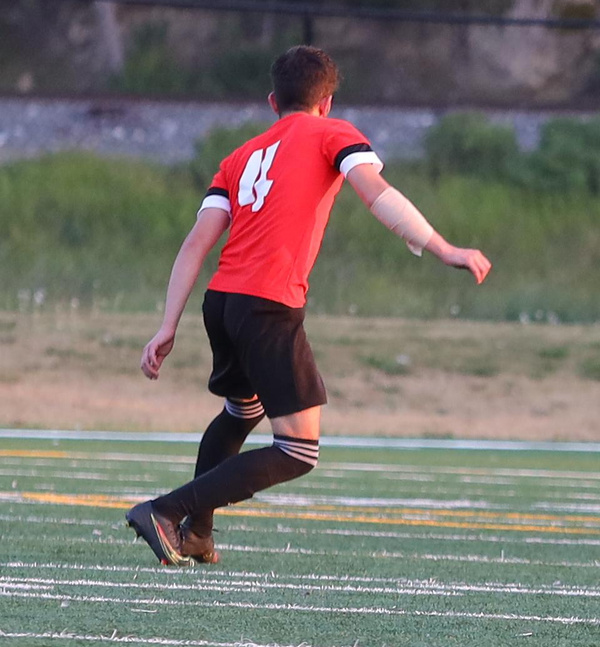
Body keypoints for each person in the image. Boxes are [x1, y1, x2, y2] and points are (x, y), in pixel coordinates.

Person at [126, 46, 491, 564]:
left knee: (241, 409)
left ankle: (197, 534)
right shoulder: (333, 133)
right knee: (298, 449)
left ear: (274, 102)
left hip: (222, 302)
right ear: (328, 103)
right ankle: (167, 511)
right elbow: (378, 195)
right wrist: (444, 248)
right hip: (267, 304)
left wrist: (167, 324)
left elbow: (194, 243)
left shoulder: (240, 156)